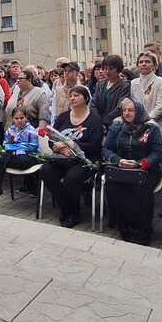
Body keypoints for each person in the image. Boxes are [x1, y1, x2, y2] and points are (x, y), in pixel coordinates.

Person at [39, 84, 103, 228]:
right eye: (71, 95)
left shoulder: (95, 119)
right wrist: (57, 147)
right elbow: (52, 137)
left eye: (77, 95)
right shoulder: (63, 117)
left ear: (86, 98)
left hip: (86, 158)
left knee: (71, 179)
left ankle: (74, 213)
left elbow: (95, 145)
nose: (72, 98)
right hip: (62, 157)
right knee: (45, 172)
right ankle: (67, 208)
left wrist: (70, 146)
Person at [102, 98, 162, 244]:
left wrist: (141, 164)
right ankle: (125, 227)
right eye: (124, 110)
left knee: (139, 188)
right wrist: (118, 160)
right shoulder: (117, 126)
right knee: (115, 186)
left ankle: (142, 229)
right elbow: (106, 148)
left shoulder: (152, 128)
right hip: (121, 166)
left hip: (146, 168)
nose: (127, 113)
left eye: (131, 110)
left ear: (139, 111)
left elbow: (158, 152)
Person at [0, 107, 40, 202]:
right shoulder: (10, 130)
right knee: (1, 156)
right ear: (12, 119)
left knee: (1, 159)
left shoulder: (31, 130)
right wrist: (16, 146)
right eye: (16, 118)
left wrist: (15, 146)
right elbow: (6, 145)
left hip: (29, 157)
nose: (19, 120)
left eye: (22, 118)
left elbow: (33, 147)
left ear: (26, 118)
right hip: (13, 157)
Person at [130, 51, 162, 132]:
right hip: (136, 126)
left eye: (147, 62)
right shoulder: (133, 83)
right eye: (141, 62)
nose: (143, 64)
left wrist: (146, 121)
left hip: (157, 126)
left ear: (155, 65)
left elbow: (161, 107)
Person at [89, 55, 131, 127]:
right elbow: (94, 103)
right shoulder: (100, 83)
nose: (108, 71)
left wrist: (105, 121)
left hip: (115, 124)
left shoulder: (125, 85)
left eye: (111, 69)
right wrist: (97, 120)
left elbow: (120, 106)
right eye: (105, 68)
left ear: (118, 69)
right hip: (98, 123)